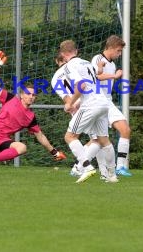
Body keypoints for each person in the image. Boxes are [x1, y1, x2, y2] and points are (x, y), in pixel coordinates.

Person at [58, 40, 118, 183]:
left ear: (63, 54)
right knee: (104, 140)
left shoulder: (70, 66)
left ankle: (87, 167)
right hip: (104, 103)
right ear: (76, 51)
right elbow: (97, 74)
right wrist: (100, 67)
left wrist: (70, 103)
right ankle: (112, 175)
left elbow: (82, 85)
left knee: (70, 136)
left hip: (90, 104)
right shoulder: (86, 63)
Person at [91, 35, 133, 177]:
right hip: (97, 102)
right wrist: (114, 76)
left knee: (125, 129)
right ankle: (80, 166)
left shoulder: (113, 65)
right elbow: (96, 77)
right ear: (111, 48)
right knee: (98, 141)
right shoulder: (97, 59)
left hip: (107, 103)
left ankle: (120, 166)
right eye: (119, 51)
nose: (119, 54)